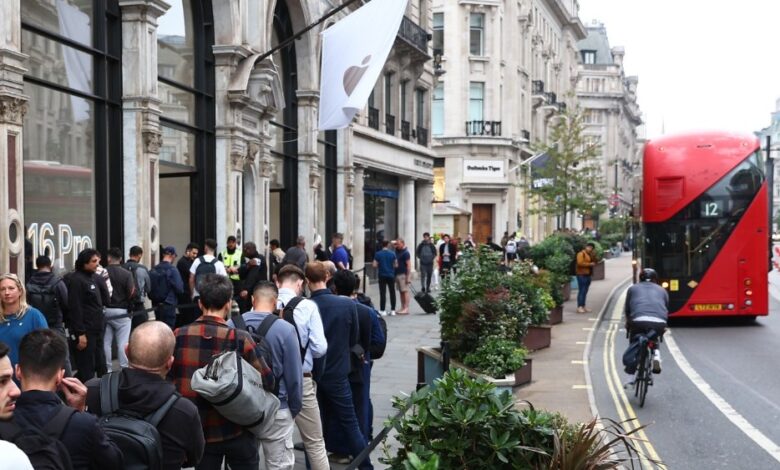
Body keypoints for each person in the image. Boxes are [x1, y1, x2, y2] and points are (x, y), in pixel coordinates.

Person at [169, 273, 266, 470]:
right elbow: (266, 379)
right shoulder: (240, 338)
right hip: (237, 426)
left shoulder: (178, 335)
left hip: (198, 430)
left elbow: (167, 378)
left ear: (199, 303)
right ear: (229, 304)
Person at [86, 321, 204, 469]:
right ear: (169, 363)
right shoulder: (184, 411)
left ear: (126, 351)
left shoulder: (93, 390)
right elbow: (194, 458)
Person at [11, 329, 123, 468]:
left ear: (18, 371)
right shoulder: (83, 423)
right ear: (60, 376)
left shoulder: (5, 422)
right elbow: (114, 462)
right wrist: (82, 411)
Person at [228, 281, 302, 470]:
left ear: (253, 299)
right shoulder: (285, 329)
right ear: (276, 302)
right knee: (279, 464)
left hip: (240, 406)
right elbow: (294, 375)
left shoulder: (231, 325)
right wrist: (294, 408)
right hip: (277, 404)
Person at [306, 262, 372, 470]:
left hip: (313, 374)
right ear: (327, 278)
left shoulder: (305, 306)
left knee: (314, 430)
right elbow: (353, 340)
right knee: (350, 423)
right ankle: (365, 466)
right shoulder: (347, 306)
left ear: (307, 282)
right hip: (338, 372)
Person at [275, 265, 329, 470]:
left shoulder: (263, 303)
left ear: (277, 282)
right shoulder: (307, 306)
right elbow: (320, 348)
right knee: (314, 442)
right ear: (300, 283)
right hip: (301, 379)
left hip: (269, 382)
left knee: (274, 441)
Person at [26, 255, 72, 375]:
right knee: (63, 355)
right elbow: (66, 303)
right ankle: (68, 383)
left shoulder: (29, 283)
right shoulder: (57, 282)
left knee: (38, 356)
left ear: (37, 266)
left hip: (36, 325)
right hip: (55, 323)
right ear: (50, 266)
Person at [69, 249, 108, 382]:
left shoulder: (96, 278)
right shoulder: (76, 280)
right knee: (86, 368)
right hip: (85, 330)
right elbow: (76, 307)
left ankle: (103, 393)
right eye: (94, 261)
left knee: (101, 364)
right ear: (84, 263)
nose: (97, 264)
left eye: (98, 261)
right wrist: (80, 333)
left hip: (98, 328)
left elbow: (106, 300)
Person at [624, 268, 669, 376]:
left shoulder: (632, 288)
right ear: (655, 279)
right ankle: (656, 354)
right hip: (659, 321)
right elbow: (666, 307)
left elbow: (627, 309)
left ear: (640, 278)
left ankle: (633, 365)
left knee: (635, 338)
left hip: (638, 321)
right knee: (653, 336)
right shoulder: (662, 290)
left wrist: (628, 323)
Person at [0, 274, 48, 369]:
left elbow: (46, 346)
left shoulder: (34, 316)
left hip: (27, 374)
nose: (7, 292)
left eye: (11, 288)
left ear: (20, 291)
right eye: (2, 289)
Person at [104, 247, 136, 372]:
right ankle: (124, 368)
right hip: (122, 311)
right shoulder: (126, 274)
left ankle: (107, 368)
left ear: (109, 258)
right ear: (121, 259)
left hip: (106, 310)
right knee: (123, 342)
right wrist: (130, 308)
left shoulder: (103, 272)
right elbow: (132, 292)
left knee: (106, 341)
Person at [188, 239, 228, 319]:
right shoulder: (219, 264)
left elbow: (191, 279)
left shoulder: (197, 261)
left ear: (205, 248)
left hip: (198, 296)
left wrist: (192, 293)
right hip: (213, 297)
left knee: (197, 321)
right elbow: (224, 281)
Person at [153, 246, 185, 329]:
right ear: (172, 255)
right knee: (168, 330)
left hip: (156, 304)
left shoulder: (154, 269)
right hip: (169, 304)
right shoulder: (172, 270)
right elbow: (179, 288)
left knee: (158, 329)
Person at [124, 245, 151, 329]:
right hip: (138, 304)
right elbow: (148, 288)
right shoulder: (143, 269)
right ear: (140, 255)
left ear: (129, 254)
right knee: (141, 329)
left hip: (124, 305)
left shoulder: (121, 267)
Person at [237, 241, 267, 313]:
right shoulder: (245, 258)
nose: (245, 251)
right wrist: (247, 265)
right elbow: (240, 271)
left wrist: (246, 289)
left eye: (247, 249)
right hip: (246, 290)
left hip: (257, 289)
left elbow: (253, 275)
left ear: (253, 249)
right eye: (245, 249)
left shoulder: (258, 259)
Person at [176, 243, 199, 326]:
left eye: (196, 254)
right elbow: (192, 274)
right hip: (185, 295)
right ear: (188, 251)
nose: (195, 256)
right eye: (194, 253)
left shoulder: (191, 262)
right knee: (187, 318)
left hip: (188, 293)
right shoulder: (182, 262)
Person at [372, 240, 397, 316]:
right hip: (391, 275)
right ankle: (393, 310)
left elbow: (374, 265)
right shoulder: (392, 254)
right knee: (392, 292)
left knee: (383, 293)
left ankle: (382, 310)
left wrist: (380, 264)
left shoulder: (378, 254)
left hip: (382, 275)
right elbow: (396, 265)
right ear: (388, 245)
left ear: (381, 245)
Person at [575, 242, 597, 314]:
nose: (590, 249)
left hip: (588, 274)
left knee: (585, 291)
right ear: (586, 247)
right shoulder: (581, 254)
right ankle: (579, 307)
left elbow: (596, 260)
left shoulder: (589, 254)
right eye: (589, 247)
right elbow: (580, 263)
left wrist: (594, 255)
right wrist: (589, 264)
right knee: (582, 291)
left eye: (591, 248)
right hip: (581, 274)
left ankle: (583, 306)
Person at [394, 238, 412, 315]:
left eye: (398, 244)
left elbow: (408, 265)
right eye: (396, 244)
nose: (396, 245)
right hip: (397, 274)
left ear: (402, 243)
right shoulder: (397, 251)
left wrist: (408, 277)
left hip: (403, 274)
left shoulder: (406, 253)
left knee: (405, 291)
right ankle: (402, 307)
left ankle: (406, 308)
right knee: (401, 292)